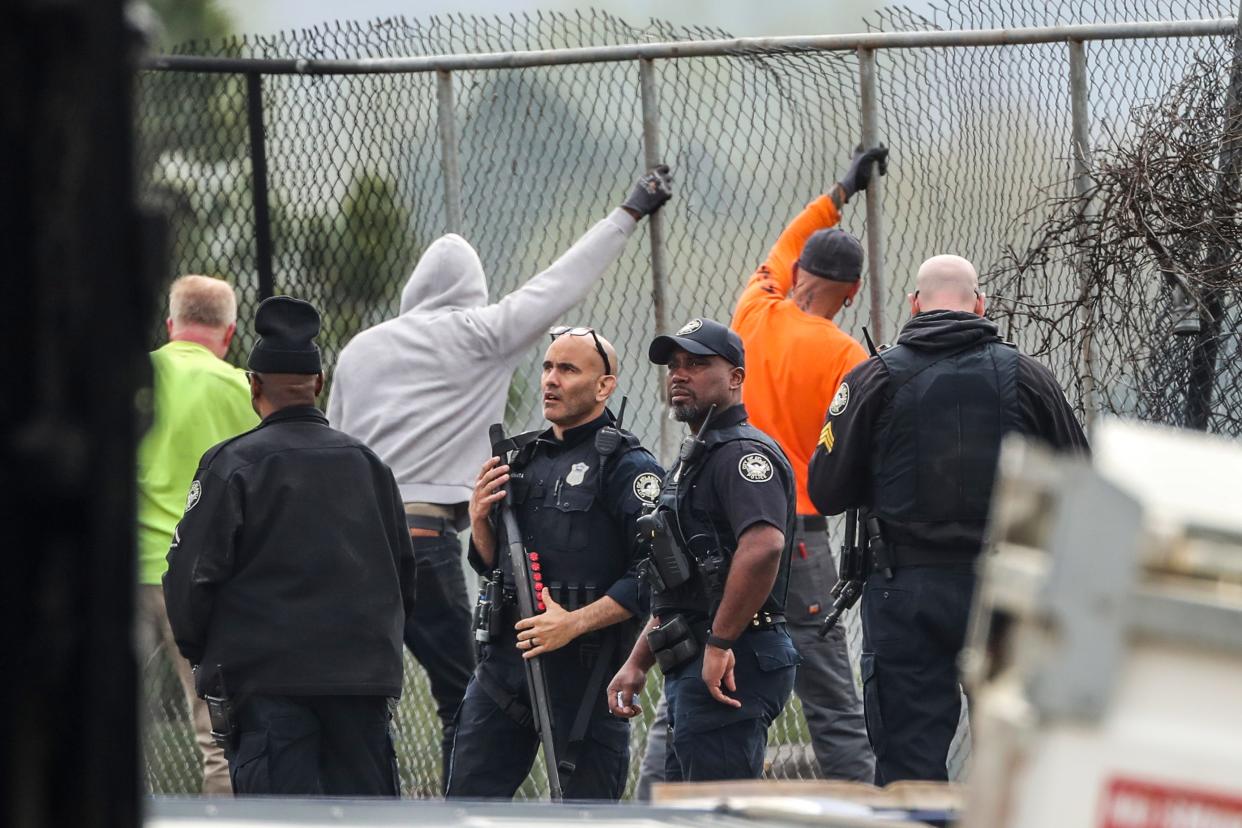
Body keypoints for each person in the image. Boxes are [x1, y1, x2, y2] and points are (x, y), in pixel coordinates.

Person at [326, 166, 672, 788]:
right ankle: (464, 803)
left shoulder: (358, 349)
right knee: (458, 693)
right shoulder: (480, 334)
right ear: (474, 290)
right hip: (424, 540)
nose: (549, 378)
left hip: (352, 546)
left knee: (356, 698)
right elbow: (559, 284)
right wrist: (630, 210)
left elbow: (335, 451)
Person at [807, 255, 1089, 785]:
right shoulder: (1029, 378)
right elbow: (1080, 482)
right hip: (1007, 590)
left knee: (909, 769)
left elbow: (824, 490)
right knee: (1013, 766)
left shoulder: (873, 379)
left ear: (914, 304)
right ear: (979, 304)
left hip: (903, 591)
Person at [164, 296, 417, 797]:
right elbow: (405, 575)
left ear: (252, 385)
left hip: (266, 684)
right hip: (362, 684)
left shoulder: (232, 465)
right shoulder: (369, 466)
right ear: (319, 385)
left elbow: (191, 576)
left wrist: (203, 653)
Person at [447, 327, 664, 801]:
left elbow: (651, 576)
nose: (551, 380)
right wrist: (479, 517)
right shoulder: (521, 458)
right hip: (505, 667)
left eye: (567, 369)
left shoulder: (629, 467)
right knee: (466, 807)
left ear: (604, 386)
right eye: (547, 367)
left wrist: (574, 623)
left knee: (586, 813)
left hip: (586, 679)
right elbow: (491, 564)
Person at [727, 146, 888, 781]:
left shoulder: (754, 308)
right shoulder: (847, 354)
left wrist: (840, 191)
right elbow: (856, 451)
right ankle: (868, 808)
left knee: (700, 667)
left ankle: (660, 803)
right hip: (798, 531)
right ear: (850, 295)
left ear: (798, 274)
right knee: (829, 696)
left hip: (731, 520)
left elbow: (790, 239)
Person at [608, 318, 799, 782]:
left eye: (697, 364)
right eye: (674, 365)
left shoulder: (740, 455)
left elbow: (763, 546)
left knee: (718, 810)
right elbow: (680, 579)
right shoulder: (696, 457)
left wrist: (720, 643)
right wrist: (637, 661)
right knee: (686, 807)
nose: (679, 374)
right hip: (699, 655)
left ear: (735, 377)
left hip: (736, 657)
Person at [135, 274, 258, 795]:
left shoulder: (136, 379)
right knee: (217, 735)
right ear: (229, 333)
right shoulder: (242, 389)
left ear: (170, 324)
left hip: (130, 568)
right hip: (205, 583)